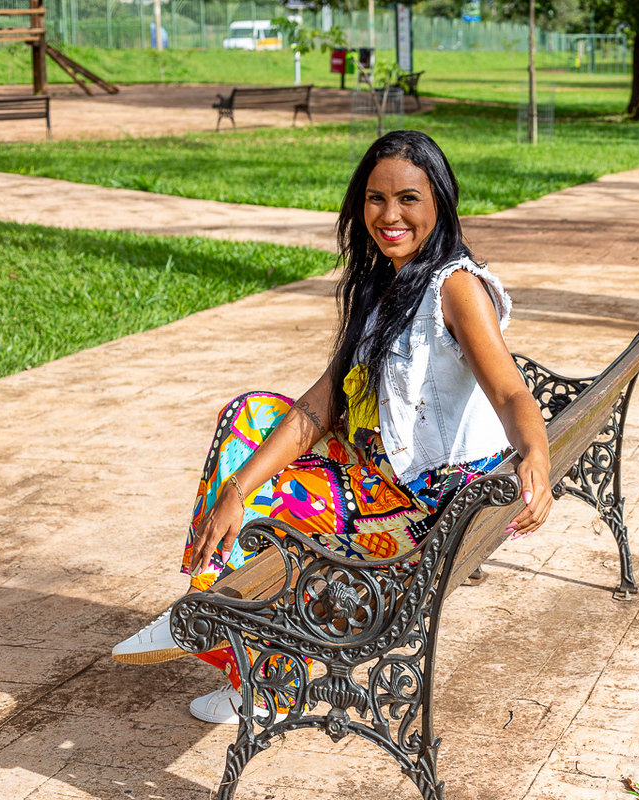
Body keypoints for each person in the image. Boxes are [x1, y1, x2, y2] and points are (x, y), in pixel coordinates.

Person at [110, 130, 553, 724]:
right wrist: (234, 493)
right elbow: (323, 403)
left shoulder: (454, 286)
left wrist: (536, 457)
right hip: (375, 476)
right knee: (248, 418)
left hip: (422, 504)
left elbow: (510, 390)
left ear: (439, 204)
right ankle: (214, 606)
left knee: (277, 509)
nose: (389, 215)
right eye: (375, 199)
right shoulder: (386, 282)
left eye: (408, 199)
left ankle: (232, 639)